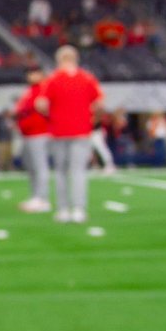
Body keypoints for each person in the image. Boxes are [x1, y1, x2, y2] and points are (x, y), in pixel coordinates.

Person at [37, 45, 102, 224]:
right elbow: (99, 103)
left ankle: (63, 209)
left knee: (61, 172)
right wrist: (90, 118)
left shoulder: (53, 79)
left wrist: (51, 115)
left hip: (58, 131)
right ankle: (79, 209)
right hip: (82, 131)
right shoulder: (87, 78)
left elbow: (41, 104)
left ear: (59, 60)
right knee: (78, 171)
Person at [13, 67, 51, 214]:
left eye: (34, 73)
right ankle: (36, 196)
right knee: (32, 167)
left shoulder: (44, 89)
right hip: (28, 133)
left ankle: (43, 199)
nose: (31, 76)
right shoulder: (31, 90)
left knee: (40, 167)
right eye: (29, 74)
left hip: (39, 132)